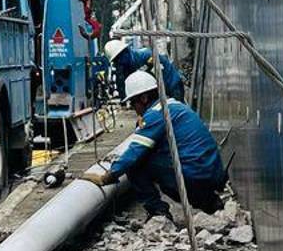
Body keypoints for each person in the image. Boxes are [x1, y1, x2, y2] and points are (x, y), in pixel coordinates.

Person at [83, 71, 227, 219]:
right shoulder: (173, 105)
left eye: (133, 103)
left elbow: (135, 152)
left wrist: (110, 175)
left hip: (192, 175)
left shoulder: (156, 113)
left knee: (135, 164)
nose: (133, 108)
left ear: (144, 98)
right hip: (211, 173)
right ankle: (211, 203)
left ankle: (157, 212)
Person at [104, 39, 185, 103]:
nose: (118, 63)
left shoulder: (146, 56)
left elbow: (161, 75)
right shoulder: (126, 68)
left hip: (172, 85)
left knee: (177, 111)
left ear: (126, 51)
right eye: (116, 61)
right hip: (158, 91)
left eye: (118, 59)